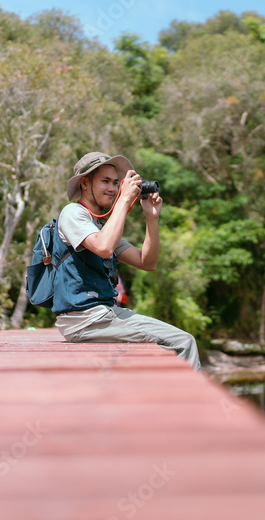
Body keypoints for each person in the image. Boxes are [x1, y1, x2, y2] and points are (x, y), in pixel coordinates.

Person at [51, 151, 201, 371]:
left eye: (115, 183)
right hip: (88, 320)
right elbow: (103, 247)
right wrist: (124, 199)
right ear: (84, 183)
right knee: (184, 343)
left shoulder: (100, 227)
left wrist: (151, 218)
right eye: (105, 181)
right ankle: (194, 404)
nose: (113, 188)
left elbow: (146, 262)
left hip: (102, 317)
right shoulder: (73, 213)